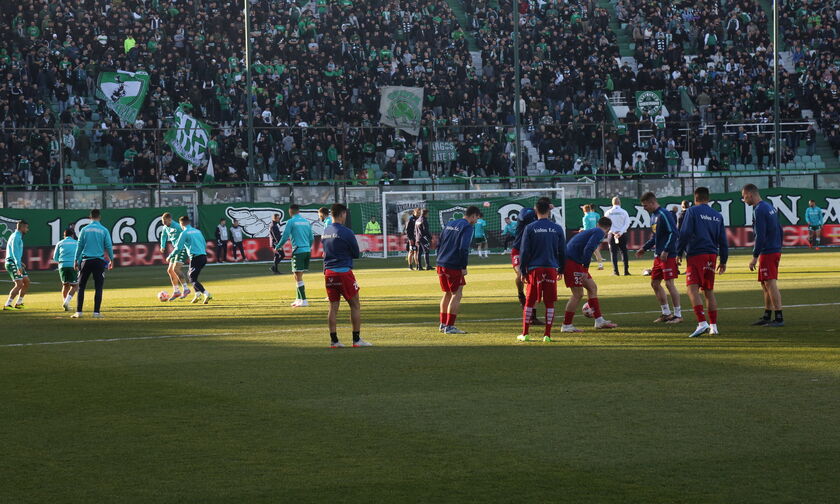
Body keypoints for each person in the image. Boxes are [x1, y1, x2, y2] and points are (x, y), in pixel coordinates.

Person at [677, 187, 728, 338]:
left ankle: (701, 323)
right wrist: (723, 260)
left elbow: (685, 233)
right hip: (712, 255)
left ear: (695, 198)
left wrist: (678, 252)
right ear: (708, 198)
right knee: (708, 291)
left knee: (692, 289)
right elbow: (723, 240)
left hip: (696, 254)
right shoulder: (717, 215)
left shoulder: (692, 211)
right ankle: (714, 326)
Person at [321, 203, 372, 348]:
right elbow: (356, 253)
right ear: (343, 214)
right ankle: (356, 340)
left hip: (329, 272)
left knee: (333, 307)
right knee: (355, 305)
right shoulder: (346, 232)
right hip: (343, 272)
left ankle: (334, 341)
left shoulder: (325, 231)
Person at [516, 199, 566, 342]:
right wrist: (561, 268)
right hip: (551, 268)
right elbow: (562, 250)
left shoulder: (530, 227)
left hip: (534, 269)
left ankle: (525, 334)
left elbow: (524, 251)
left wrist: (523, 271)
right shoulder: (557, 228)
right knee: (549, 303)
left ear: (535, 211)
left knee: (530, 302)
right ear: (549, 211)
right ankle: (547, 335)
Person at [561, 217, 618, 332]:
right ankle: (566, 325)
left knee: (592, 288)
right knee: (577, 294)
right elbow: (588, 249)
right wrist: (585, 269)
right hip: (571, 262)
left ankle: (599, 321)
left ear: (598, 224)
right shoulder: (599, 232)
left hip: (573, 261)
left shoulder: (594, 230)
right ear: (609, 228)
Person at [635, 192, 683, 324]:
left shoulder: (664, 214)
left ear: (652, 202)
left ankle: (678, 315)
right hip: (658, 256)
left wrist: (666, 250)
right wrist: (644, 248)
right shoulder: (653, 216)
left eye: (645, 206)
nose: (644, 208)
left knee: (669, 284)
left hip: (668, 255)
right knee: (655, 283)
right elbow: (655, 237)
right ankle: (666, 313)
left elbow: (674, 233)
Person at [742, 184, 784, 327]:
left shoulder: (759, 210)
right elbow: (779, 228)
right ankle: (767, 315)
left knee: (770, 283)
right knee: (765, 283)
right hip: (774, 248)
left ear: (750, 195)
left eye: (744, 196)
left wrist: (755, 256)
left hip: (768, 250)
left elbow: (760, 235)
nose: (744, 199)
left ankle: (779, 317)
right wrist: (779, 245)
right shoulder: (769, 206)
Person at [436, 205, 481, 334]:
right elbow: (463, 248)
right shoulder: (467, 227)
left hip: (441, 262)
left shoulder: (450, 223)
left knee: (447, 293)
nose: (476, 221)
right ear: (473, 216)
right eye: (477, 218)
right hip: (453, 264)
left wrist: (439, 258)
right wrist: (463, 267)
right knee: (457, 293)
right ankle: (449, 326)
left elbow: (440, 242)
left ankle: (443, 324)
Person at [511, 197, 552, 325]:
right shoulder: (526, 211)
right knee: (520, 274)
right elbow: (523, 217)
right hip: (518, 250)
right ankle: (520, 294)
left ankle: (532, 316)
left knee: (532, 282)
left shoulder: (544, 219)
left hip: (533, 252)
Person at [72, 209, 114, 318]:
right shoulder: (104, 230)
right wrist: (111, 260)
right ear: (99, 217)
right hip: (99, 261)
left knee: (81, 287)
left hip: (86, 261)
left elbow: (79, 245)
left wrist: (76, 260)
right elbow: (108, 246)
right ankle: (96, 313)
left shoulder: (84, 230)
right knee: (98, 287)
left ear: (90, 217)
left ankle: (79, 312)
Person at [275, 204, 315, 307]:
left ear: (290, 212)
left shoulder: (291, 222)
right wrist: (307, 247)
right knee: (297, 275)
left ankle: (304, 300)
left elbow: (285, 236)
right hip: (306, 250)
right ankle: (298, 299)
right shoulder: (306, 222)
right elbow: (311, 238)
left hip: (298, 251)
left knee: (298, 276)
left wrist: (278, 246)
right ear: (299, 211)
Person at [170, 215, 212, 304]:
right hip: (203, 256)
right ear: (189, 222)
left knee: (192, 279)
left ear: (181, 224)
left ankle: (206, 293)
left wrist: (170, 256)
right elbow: (204, 243)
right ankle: (197, 295)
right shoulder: (198, 231)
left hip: (195, 257)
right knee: (191, 276)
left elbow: (178, 248)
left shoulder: (184, 233)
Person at [160, 212, 190, 301]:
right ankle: (176, 291)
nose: (163, 223)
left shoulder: (177, 226)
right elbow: (163, 236)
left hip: (182, 248)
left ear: (170, 219)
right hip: (176, 249)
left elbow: (186, 235)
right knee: (170, 270)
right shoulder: (165, 227)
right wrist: (162, 246)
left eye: (165, 221)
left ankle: (186, 289)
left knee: (175, 269)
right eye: (162, 221)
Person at [4, 220, 30, 310]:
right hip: (12, 263)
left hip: (15, 262)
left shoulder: (17, 236)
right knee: (19, 284)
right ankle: (7, 304)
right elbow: (15, 252)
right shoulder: (16, 237)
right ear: (22, 227)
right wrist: (18, 265)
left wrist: (20, 262)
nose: (27, 229)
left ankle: (19, 303)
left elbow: (15, 252)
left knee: (26, 281)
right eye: (26, 227)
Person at [52, 229, 79, 311]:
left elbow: (55, 257)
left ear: (64, 236)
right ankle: (66, 302)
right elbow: (79, 254)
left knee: (65, 285)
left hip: (62, 266)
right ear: (73, 235)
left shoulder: (60, 243)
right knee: (75, 286)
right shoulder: (76, 243)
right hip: (72, 265)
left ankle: (65, 303)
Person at [604, 197, 631, 276]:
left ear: (612, 203)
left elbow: (606, 224)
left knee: (613, 253)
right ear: (620, 202)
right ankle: (626, 271)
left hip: (612, 235)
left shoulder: (608, 212)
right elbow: (627, 224)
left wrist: (614, 232)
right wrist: (620, 232)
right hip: (622, 235)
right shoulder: (624, 212)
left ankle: (616, 272)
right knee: (624, 252)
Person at [581, 204, 605, 270]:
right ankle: (600, 265)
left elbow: (586, 229)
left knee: (583, 249)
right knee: (595, 250)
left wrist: (582, 230)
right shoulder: (594, 215)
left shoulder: (585, 217)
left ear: (584, 210)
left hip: (588, 235)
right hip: (594, 233)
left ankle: (583, 265)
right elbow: (597, 224)